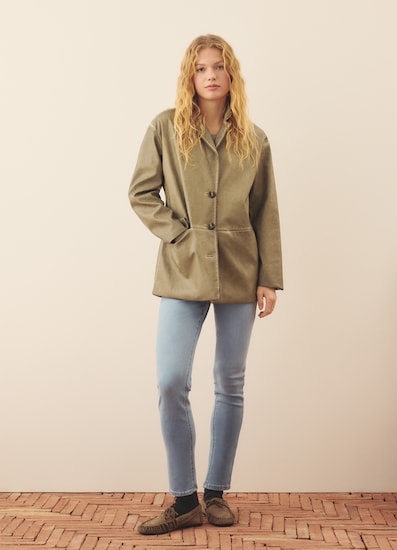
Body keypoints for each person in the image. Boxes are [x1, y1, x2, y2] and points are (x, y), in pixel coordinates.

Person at [128, 34, 283, 535]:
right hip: (182, 270)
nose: (211, 75)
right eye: (201, 68)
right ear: (189, 77)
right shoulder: (165, 128)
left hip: (241, 271)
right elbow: (141, 193)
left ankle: (215, 494)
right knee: (171, 381)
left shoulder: (254, 139)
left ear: (231, 74)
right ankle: (183, 499)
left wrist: (269, 278)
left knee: (229, 383)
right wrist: (179, 234)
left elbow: (266, 210)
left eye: (219, 67)